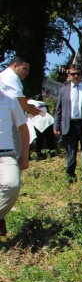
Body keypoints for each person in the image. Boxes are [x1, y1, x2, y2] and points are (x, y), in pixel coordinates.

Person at [54, 64, 82, 183]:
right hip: (69, 125)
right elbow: (58, 109)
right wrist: (56, 125)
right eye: (73, 74)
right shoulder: (63, 90)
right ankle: (70, 176)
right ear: (69, 75)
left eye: (78, 74)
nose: (76, 76)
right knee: (71, 152)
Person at [0, 92, 30, 237]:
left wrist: (24, 155)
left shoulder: (10, 100)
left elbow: (23, 128)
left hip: (6, 154)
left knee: (13, 185)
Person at [1, 57, 43, 158]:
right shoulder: (12, 76)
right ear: (15, 66)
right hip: (9, 122)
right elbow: (19, 100)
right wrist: (31, 109)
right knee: (16, 152)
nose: (27, 72)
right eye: (24, 68)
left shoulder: (4, 75)